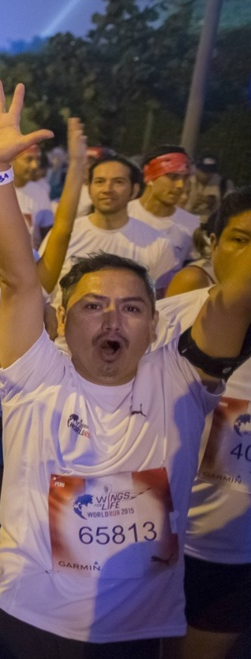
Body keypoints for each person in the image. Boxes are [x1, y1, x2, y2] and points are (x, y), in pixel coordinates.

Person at [0, 79, 251, 658]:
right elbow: (22, 281)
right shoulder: (35, 370)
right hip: (20, 621)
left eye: (132, 307)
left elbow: (231, 301)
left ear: (155, 323)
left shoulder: (182, 379)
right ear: (63, 320)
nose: (112, 319)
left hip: (135, 634)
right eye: (93, 306)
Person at [156, 190, 251, 659]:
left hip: (234, 556)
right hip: (148, 539)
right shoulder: (164, 319)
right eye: (241, 239)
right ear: (212, 243)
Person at [48, 153, 180, 298]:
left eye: (118, 182)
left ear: (134, 190)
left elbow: (162, 302)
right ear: (89, 188)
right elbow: (41, 288)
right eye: (99, 181)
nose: (107, 189)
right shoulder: (64, 236)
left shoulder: (159, 244)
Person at [128, 146, 199, 261]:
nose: (180, 185)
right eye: (172, 177)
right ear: (149, 175)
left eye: (185, 178)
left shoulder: (193, 226)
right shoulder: (122, 215)